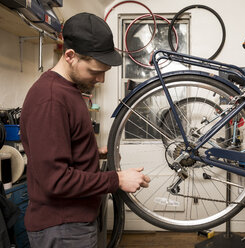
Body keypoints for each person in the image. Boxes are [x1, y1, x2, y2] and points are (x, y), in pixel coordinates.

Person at [20, 13, 150, 247]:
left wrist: (91, 151)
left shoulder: (67, 91)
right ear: (70, 56)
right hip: (62, 229)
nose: (100, 78)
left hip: (72, 224)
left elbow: (63, 151)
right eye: (94, 71)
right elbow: (55, 180)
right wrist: (116, 180)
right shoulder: (51, 99)